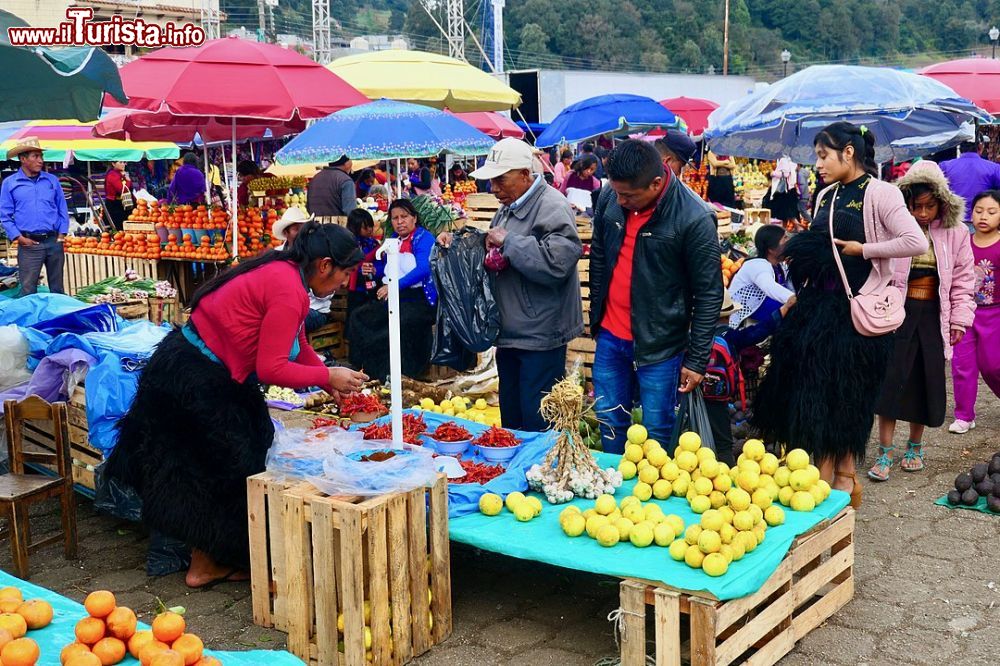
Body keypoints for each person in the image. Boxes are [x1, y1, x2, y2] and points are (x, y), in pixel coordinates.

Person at [105, 222, 368, 587]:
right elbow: (270, 367)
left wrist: (324, 374)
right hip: (194, 374)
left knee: (250, 439)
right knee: (232, 461)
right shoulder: (288, 289)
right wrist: (327, 377)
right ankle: (209, 562)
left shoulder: (284, 272)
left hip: (207, 366)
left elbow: (297, 343)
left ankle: (207, 553)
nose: (344, 283)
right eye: (346, 273)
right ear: (325, 265)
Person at [750, 121, 928, 507]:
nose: (818, 164)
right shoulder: (825, 195)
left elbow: (915, 241)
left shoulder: (880, 193)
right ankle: (830, 483)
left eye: (824, 155)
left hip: (855, 316)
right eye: (817, 156)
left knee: (846, 399)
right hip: (818, 313)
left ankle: (838, 484)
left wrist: (862, 250)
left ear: (849, 152)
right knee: (817, 399)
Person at [438, 137, 583, 431]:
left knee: (536, 421)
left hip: (540, 334)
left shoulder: (552, 206)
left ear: (525, 175)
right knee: (512, 421)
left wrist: (511, 242)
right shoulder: (509, 205)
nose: (494, 189)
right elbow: (496, 246)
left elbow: (557, 262)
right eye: (492, 181)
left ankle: (535, 475)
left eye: (500, 180)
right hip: (511, 332)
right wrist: (458, 243)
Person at [590, 139, 723, 453]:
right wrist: (598, 319)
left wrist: (697, 360)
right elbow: (599, 256)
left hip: (661, 344)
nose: (620, 200)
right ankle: (614, 493)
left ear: (656, 182)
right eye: (617, 192)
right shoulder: (611, 196)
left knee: (657, 429)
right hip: (610, 335)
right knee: (609, 419)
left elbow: (708, 293)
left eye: (629, 195)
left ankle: (651, 499)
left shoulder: (694, 217)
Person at [869, 161, 976, 480]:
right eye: (917, 206)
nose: (923, 213)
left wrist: (959, 319)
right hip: (896, 315)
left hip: (933, 316)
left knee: (923, 383)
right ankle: (885, 453)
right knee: (890, 382)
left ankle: (915, 447)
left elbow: (963, 278)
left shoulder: (956, 232)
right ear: (907, 203)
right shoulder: (893, 227)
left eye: (930, 206)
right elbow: (879, 268)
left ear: (942, 203)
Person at [348, 199, 437, 381]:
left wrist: (394, 286)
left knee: (400, 323)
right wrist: (374, 270)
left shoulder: (424, 238)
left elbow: (423, 269)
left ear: (414, 218)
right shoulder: (394, 241)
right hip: (396, 297)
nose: (400, 222)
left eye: (404, 217)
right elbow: (389, 267)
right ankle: (369, 370)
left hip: (419, 300)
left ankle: (403, 373)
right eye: (395, 218)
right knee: (360, 316)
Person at [705, 290, 796, 465]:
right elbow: (757, 332)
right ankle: (725, 469)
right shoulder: (729, 336)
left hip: (695, 394)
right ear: (727, 317)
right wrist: (785, 308)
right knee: (724, 441)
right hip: (718, 397)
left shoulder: (695, 335)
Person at [949, 190, 1000, 434]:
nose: (984, 216)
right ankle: (964, 415)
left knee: (993, 364)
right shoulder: (963, 243)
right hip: (964, 312)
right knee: (962, 364)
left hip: (995, 314)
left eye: (991, 212)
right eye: (979, 211)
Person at [0, 137, 69, 296]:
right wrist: (18, 237)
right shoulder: (10, 183)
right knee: (28, 289)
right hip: (28, 243)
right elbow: (5, 215)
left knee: (57, 289)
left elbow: (61, 207)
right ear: (23, 159)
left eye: (41, 156)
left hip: (53, 241)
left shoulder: (52, 180)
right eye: (35, 156)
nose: (40, 160)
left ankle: (59, 320)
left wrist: (62, 234)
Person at [728, 225, 794, 328]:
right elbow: (770, 287)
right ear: (771, 249)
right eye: (784, 239)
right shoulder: (758, 266)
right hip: (746, 323)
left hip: (764, 314)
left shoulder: (780, 265)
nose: (788, 242)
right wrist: (795, 299)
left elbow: (790, 287)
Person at [940, 139, 1000, 224]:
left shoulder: (945, 166)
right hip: (983, 221)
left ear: (960, 149)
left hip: (953, 221)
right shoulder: (994, 168)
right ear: (980, 147)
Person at [345, 208, 382, 315]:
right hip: (356, 289)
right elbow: (356, 261)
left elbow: (381, 265)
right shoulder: (349, 244)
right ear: (356, 227)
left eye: (371, 225)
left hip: (373, 287)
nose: (370, 229)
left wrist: (375, 271)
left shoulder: (374, 243)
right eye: (366, 227)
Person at [763, 156, 803, 230]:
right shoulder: (791, 159)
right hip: (789, 190)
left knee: (788, 213)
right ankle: (785, 230)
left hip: (784, 192)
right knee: (787, 214)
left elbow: (785, 174)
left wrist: (772, 173)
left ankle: (799, 229)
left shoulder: (784, 159)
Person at [103, 160, 132, 231]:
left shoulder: (121, 173)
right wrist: (128, 179)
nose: (123, 164)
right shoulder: (112, 175)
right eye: (120, 162)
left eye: (124, 162)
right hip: (114, 205)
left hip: (121, 204)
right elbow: (123, 190)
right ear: (113, 164)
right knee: (117, 230)